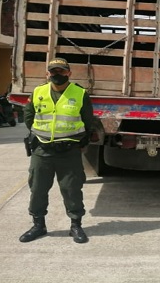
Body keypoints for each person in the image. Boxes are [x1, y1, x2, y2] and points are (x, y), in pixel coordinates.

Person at [20, 57, 96, 244]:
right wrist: (41, 136)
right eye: (53, 71)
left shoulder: (79, 93)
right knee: (37, 189)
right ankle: (38, 225)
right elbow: (29, 118)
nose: (57, 74)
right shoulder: (38, 92)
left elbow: (88, 121)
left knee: (72, 189)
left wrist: (80, 141)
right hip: (42, 150)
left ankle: (76, 225)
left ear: (69, 73)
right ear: (47, 74)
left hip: (68, 151)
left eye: (61, 71)